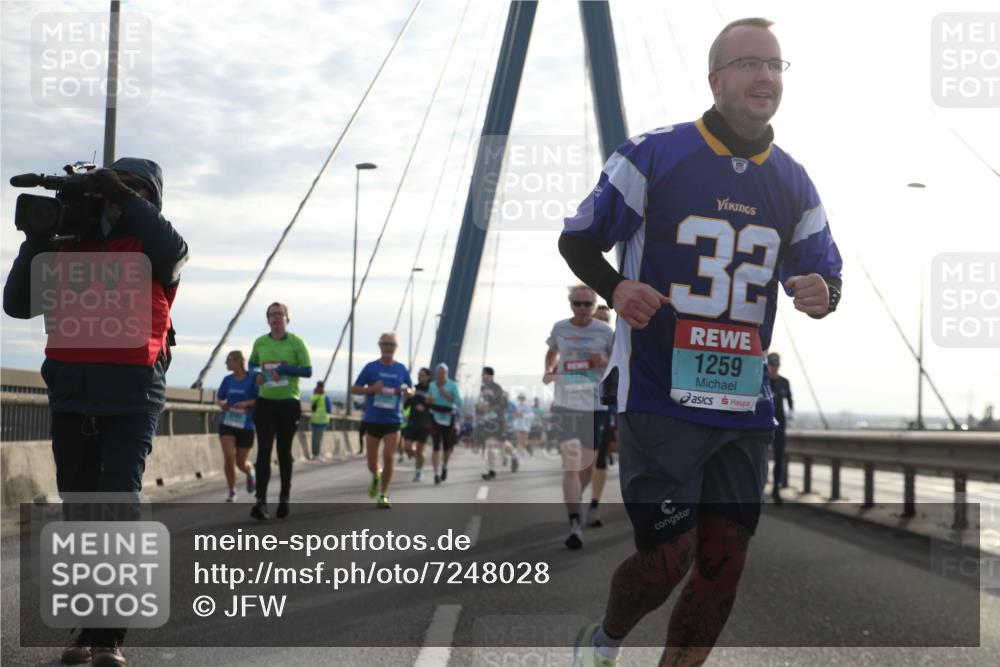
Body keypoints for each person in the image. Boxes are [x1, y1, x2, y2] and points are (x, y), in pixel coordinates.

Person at [560, 18, 843, 666]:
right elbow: (577, 238)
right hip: (661, 398)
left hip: (744, 407)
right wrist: (615, 285)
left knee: (723, 565)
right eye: (749, 64)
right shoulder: (654, 154)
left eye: (775, 65)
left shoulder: (795, 181)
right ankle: (603, 641)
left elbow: (827, 274)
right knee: (667, 556)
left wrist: (824, 293)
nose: (765, 76)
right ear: (715, 80)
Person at [4, 158, 187, 667]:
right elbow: (18, 304)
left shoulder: (155, 248)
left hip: (131, 398)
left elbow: (174, 251)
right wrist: (37, 239)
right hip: (71, 394)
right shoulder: (69, 244)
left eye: (131, 190)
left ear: (150, 199)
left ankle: (110, 636)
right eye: (109, 187)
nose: (112, 196)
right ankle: (86, 629)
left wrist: (119, 191)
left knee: (117, 506)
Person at [543, 285, 614, 549]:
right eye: (577, 304)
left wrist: (604, 361)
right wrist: (549, 370)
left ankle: (579, 501)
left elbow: (620, 361)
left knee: (588, 465)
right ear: (570, 303)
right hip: (566, 403)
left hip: (595, 406)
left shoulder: (606, 332)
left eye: (587, 304)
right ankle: (574, 523)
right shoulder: (560, 327)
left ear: (595, 305)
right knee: (572, 461)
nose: (582, 309)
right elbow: (552, 352)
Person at [249, 302, 312, 520]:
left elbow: (307, 371)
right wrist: (256, 375)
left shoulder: (296, 343)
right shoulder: (260, 342)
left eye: (280, 314)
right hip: (265, 403)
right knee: (264, 451)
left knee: (284, 452)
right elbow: (252, 365)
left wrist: (284, 369)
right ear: (267, 319)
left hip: (288, 404)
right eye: (272, 314)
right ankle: (261, 502)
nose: (276, 318)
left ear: (287, 319)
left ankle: (284, 497)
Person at [351, 331, 413, 508]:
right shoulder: (371, 367)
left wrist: (409, 392)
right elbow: (354, 389)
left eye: (391, 344)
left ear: (396, 347)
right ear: (379, 346)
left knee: (389, 457)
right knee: (372, 462)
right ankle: (376, 475)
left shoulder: (401, 369)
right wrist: (372, 389)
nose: (387, 347)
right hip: (373, 420)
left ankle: (383, 494)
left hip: (393, 421)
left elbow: (411, 388)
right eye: (384, 344)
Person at [217, 351, 258, 502]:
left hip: (246, 425)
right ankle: (232, 491)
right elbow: (220, 398)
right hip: (227, 423)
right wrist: (222, 404)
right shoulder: (227, 380)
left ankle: (249, 471)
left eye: (228, 360)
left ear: (237, 361)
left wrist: (246, 403)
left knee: (241, 463)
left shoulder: (252, 379)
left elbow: (260, 399)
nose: (226, 364)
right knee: (229, 457)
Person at [428, 363, 462, 483]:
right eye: (439, 372)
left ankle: (445, 467)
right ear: (436, 373)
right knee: (436, 445)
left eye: (444, 373)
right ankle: (436, 474)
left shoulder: (452, 385)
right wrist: (429, 400)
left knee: (447, 446)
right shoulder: (432, 385)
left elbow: (459, 402)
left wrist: (447, 395)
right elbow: (429, 398)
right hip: (435, 414)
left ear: (447, 373)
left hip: (448, 415)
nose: (441, 375)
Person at [767, 352, 793, 503]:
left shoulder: (785, 382)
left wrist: (791, 411)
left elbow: (789, 398)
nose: (774, 367)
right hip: (764, 425)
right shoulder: (763, 381)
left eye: (776, 364)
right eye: (771, 364)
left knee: (779, 458)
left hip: (780, 425)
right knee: (762, 457)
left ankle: (776, 488)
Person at [477, 367, 511, 480]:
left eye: (484, 374)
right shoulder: (482, 389)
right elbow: (482, 405)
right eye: (481, 374)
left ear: (490, 376)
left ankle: (514, 456)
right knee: (490, 443)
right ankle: (491, 470)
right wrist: (480, 408)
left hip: (498, 420)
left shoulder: (497, 388)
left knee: (502, 443)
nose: (482, 376)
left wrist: (489, 406)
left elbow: (504, 405)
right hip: (488, 420)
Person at [402, 368, 433, 481]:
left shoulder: (432, 389)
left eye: (423, 375)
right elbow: (405, 406)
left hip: (425, 423)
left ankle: (419, 472)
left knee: (420, 450)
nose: (420, 377)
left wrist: (425, 408)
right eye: (419, 375)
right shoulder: (414, 389)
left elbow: (434, 406)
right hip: (412, 421)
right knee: (407, 447)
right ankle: (419, 458)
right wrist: (405, 397)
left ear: (428, 377)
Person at [309, 381, 333, 462]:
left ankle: (314, 454)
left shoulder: (313, 396)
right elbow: (329, 410)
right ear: (323, 387)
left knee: (314, 438)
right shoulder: (325, 397)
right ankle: (317, 455)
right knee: (318, 439)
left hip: (314, 420)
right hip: (322, 421)